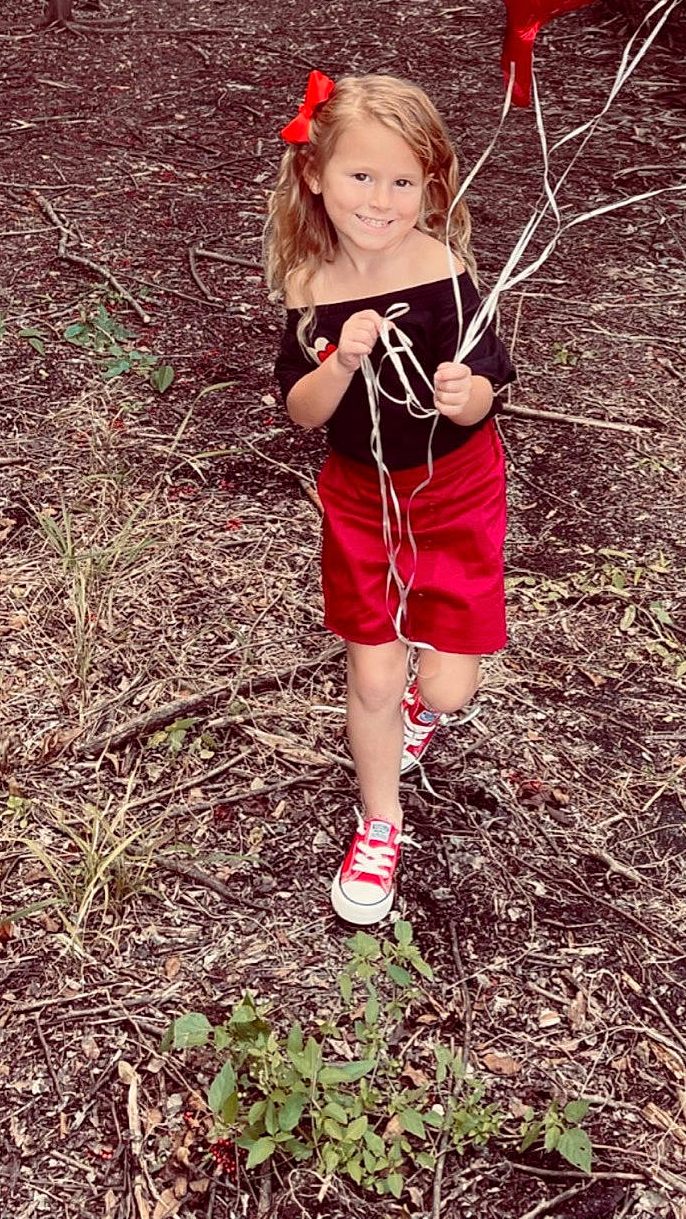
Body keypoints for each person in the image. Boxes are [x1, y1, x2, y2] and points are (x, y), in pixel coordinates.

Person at [265, 71, 515, 926]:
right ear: (316, 177)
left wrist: (463, 395)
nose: (380, 199)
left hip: (456, 491)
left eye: (402, 181)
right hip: (361, 498)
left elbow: (492, 384)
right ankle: (382, 821)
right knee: (371, 666)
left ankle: (420, 710)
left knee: (444, 690)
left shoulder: (442, 272)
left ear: (430, 187)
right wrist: (336, 362)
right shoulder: (308, 285)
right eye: (360, 177)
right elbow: (299, 412)